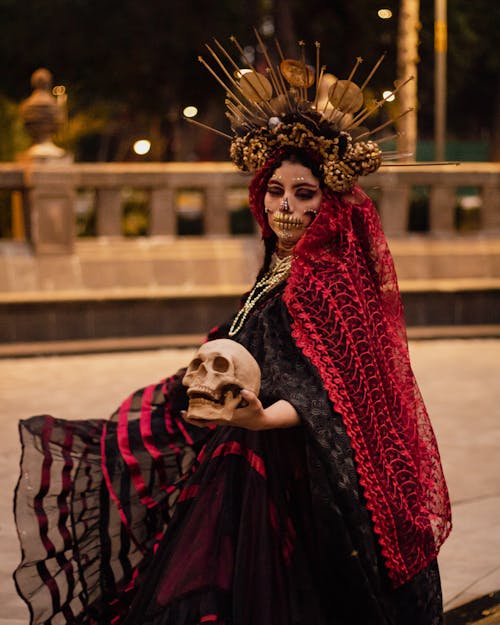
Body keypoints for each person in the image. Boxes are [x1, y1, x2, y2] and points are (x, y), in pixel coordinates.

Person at [13, 37, 451, 625]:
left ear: (332, 202)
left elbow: (331, 387)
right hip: (242, 443)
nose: (285, 209)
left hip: (295, 472)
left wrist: (261, 417)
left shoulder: (330, 279)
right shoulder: (279, 265)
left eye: (304, 194)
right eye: (275, 191)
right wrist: (192, 384)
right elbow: (248, 341)